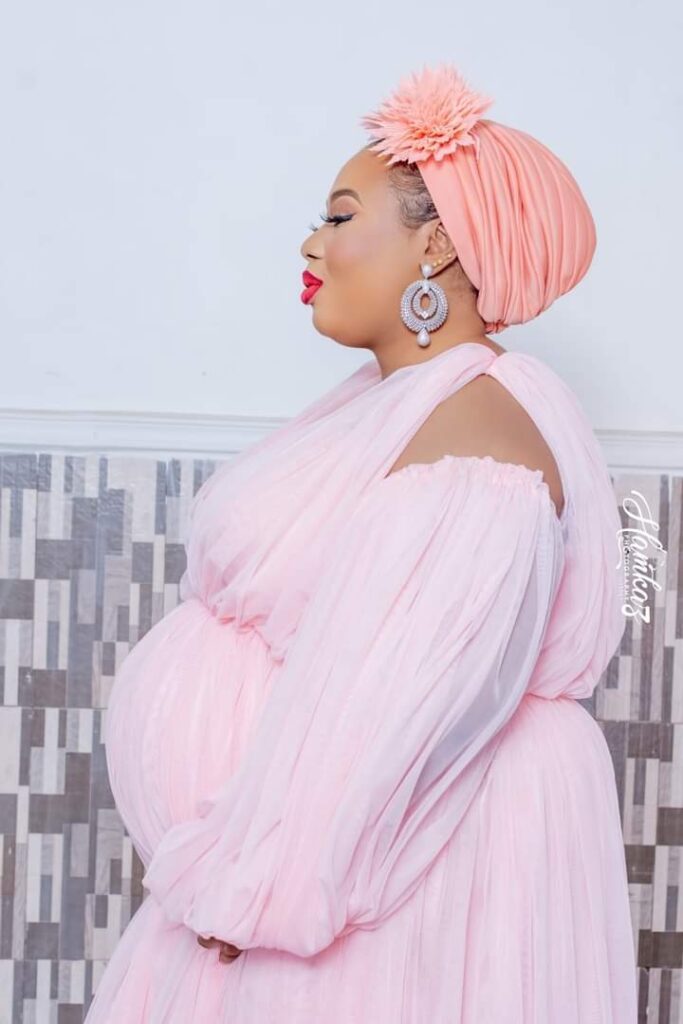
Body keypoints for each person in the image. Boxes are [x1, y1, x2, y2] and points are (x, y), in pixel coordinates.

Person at [85, 63, 638, 1022]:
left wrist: (262, 881)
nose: (312, 242)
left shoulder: (477, 434)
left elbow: (402, 704)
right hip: (266, 897)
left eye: (340, 217)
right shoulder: (403, 403)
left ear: (436, 243)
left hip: (342, 911)